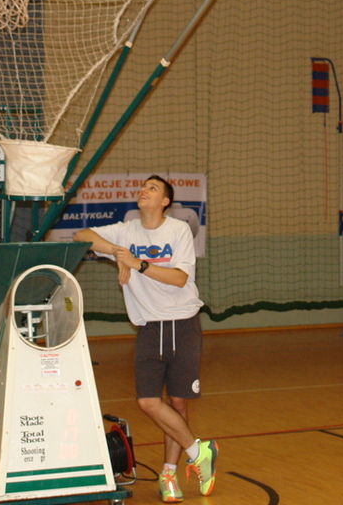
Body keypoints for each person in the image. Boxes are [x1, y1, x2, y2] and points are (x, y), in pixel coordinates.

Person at [75, 175, 218, 503]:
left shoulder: (178, 230)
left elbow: (179, 278)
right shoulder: (125, 231)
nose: (143, 190)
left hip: (182, 324)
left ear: (165, 201)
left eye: (152, 188)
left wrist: (138, 264)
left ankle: (169, 474)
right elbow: (82, 235)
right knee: (147, 402)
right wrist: (117, 252)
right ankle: (199, 452)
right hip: (149, 328)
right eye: (143, 187)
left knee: (178, 403)